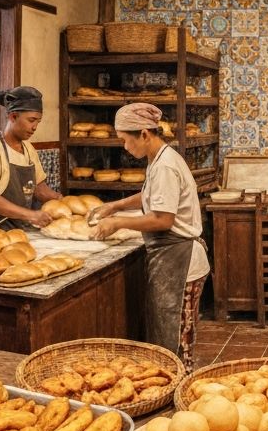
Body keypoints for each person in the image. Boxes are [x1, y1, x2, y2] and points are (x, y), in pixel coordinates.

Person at [89, 103, 209, 362]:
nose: (124, 147)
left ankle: (180, 393)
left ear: (144, 134)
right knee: (170, 335)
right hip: (173, 258)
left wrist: (118, 222)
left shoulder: (165, 165)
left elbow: (163, 219)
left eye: (125, 140)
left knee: (176, 341)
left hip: (181, 260)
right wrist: (116, 205)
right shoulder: (160, 158)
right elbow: (151, 196)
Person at [0, 85, 62, 230]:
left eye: (38, 122)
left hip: (22, 231)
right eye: (31, 120)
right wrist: (30, 215)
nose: (35, 127)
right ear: (13, 117)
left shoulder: (28, 148)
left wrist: (63, 201)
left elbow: (39, 189)